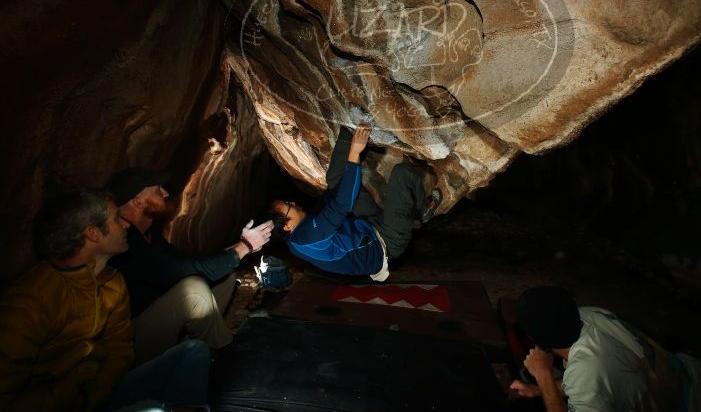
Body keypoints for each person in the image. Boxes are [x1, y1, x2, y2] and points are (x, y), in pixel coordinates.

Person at [0, 189, 210, 411]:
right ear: (93, 234)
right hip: (59, 403)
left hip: (101, 391)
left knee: (194, 351)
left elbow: (119, 348)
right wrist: (74, 398)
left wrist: (100, 391)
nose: (126, 225)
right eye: (117, 219)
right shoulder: (30, 301)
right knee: (152, 409)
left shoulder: (112, 281)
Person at [106, 168, 272, 364]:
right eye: (158, 190)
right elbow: (179, 272)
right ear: (138, 201)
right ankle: (227, 360)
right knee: (193, 290)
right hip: (130, 342)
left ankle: (194, 348)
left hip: (156, 319)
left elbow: (186, 262)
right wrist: (244, 247)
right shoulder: (124, 241)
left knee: (224, 277)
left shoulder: (149, 235)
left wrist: (243, 245)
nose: (166, 194)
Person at [269, 124, 441, 281]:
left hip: (367, 226)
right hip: (387, 243)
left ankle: (350, 128)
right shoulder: (309, 237)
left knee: (335, 180)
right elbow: (343, 204)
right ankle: (423, 210)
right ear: (287, 226)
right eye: (288, 206)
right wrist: (354, 153)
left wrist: (348, 135)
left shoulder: (295, 239)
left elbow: (332, 195)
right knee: (403, 173)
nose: (292, 202)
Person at [509, 285, 701, 412]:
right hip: (689, 374)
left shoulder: (585, 369)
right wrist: (539, 390)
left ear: (534, 339)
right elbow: (596, 383)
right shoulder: (590, 314)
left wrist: (544, 377)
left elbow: (589, 378)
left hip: (686, 403)